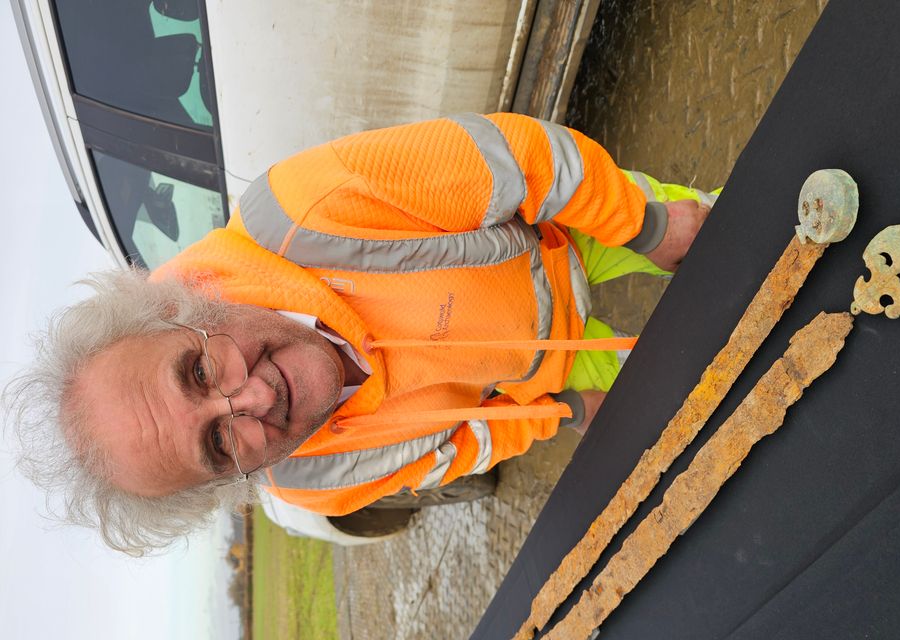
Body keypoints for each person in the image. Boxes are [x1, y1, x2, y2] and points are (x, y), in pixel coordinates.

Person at [5, 113, 713, 555]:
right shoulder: (315, 483)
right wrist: (564, 412)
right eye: (217, 443)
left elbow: (518, 156)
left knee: (759, 237)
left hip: (570, 229)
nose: (248, 399)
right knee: (713, 400)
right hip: (550, 374)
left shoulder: (303, 209)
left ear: (180, 308)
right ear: (226, 483)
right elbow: (456, 449)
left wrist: (649, 228)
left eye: (196, 371)